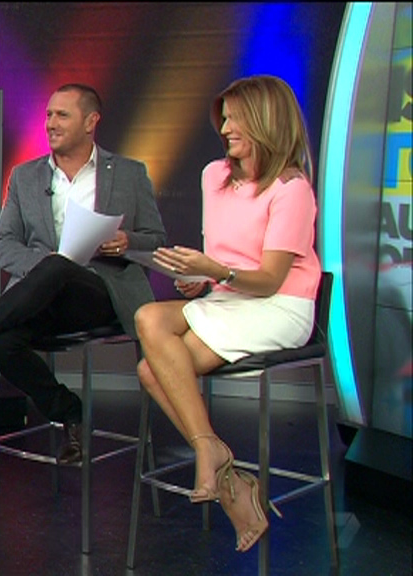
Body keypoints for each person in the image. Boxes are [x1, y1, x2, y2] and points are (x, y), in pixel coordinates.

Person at [0, 83, 167, 464]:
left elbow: (156, 239)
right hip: (44, 298)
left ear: (91, 121)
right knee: (1, 341)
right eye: (48, 115)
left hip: (103, 294)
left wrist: (127, 241)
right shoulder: (25, 177)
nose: (50, 123)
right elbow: (3, 244)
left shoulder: (129, 173)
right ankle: (69, 412)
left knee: (57, 267)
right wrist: (43, 267)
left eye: (62, 115)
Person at [133, 75, 322, 553]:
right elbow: (220, 261)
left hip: (279, 306)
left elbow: (270, 279)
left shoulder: (291, 189)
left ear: (265, 121)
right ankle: (217, 458)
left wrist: (215, 271)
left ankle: (220, 468)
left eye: (235, 118)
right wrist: (198, 277)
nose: (225, 128)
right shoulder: (213, 176)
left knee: (151, 368)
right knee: (149, 320)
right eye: (225, 118)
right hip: (227, 301)